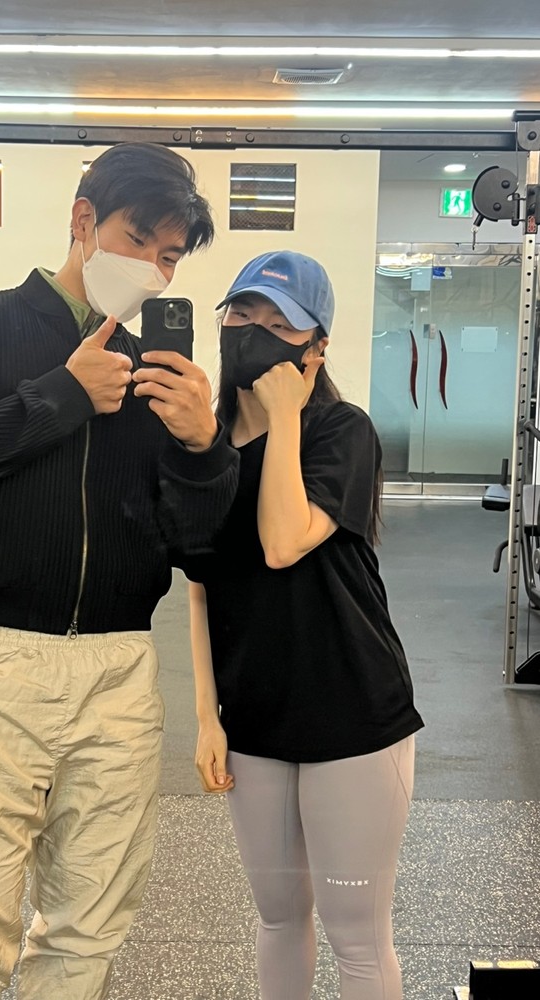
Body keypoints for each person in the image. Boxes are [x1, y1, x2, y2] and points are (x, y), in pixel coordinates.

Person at [0, 141, 239, 1000]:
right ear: (84, 221)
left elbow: (200, 549)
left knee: (88, 935)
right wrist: (62, 395)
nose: (152, 270)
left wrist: (204, 449)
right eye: (138, 241)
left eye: (169, 256)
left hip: (118, 673)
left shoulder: (160, 378)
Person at [188, 250, 424, 1000]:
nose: (254, 330)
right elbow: (200, 588)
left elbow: (283, 540)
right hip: (254, 719)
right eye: (242, 313)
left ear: (315, 347)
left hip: (352, 713)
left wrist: (285, 415)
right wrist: (207, 717)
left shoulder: (341, 432)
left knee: (357, 935)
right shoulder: (204, 448)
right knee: (278, 919)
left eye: (279, 322)